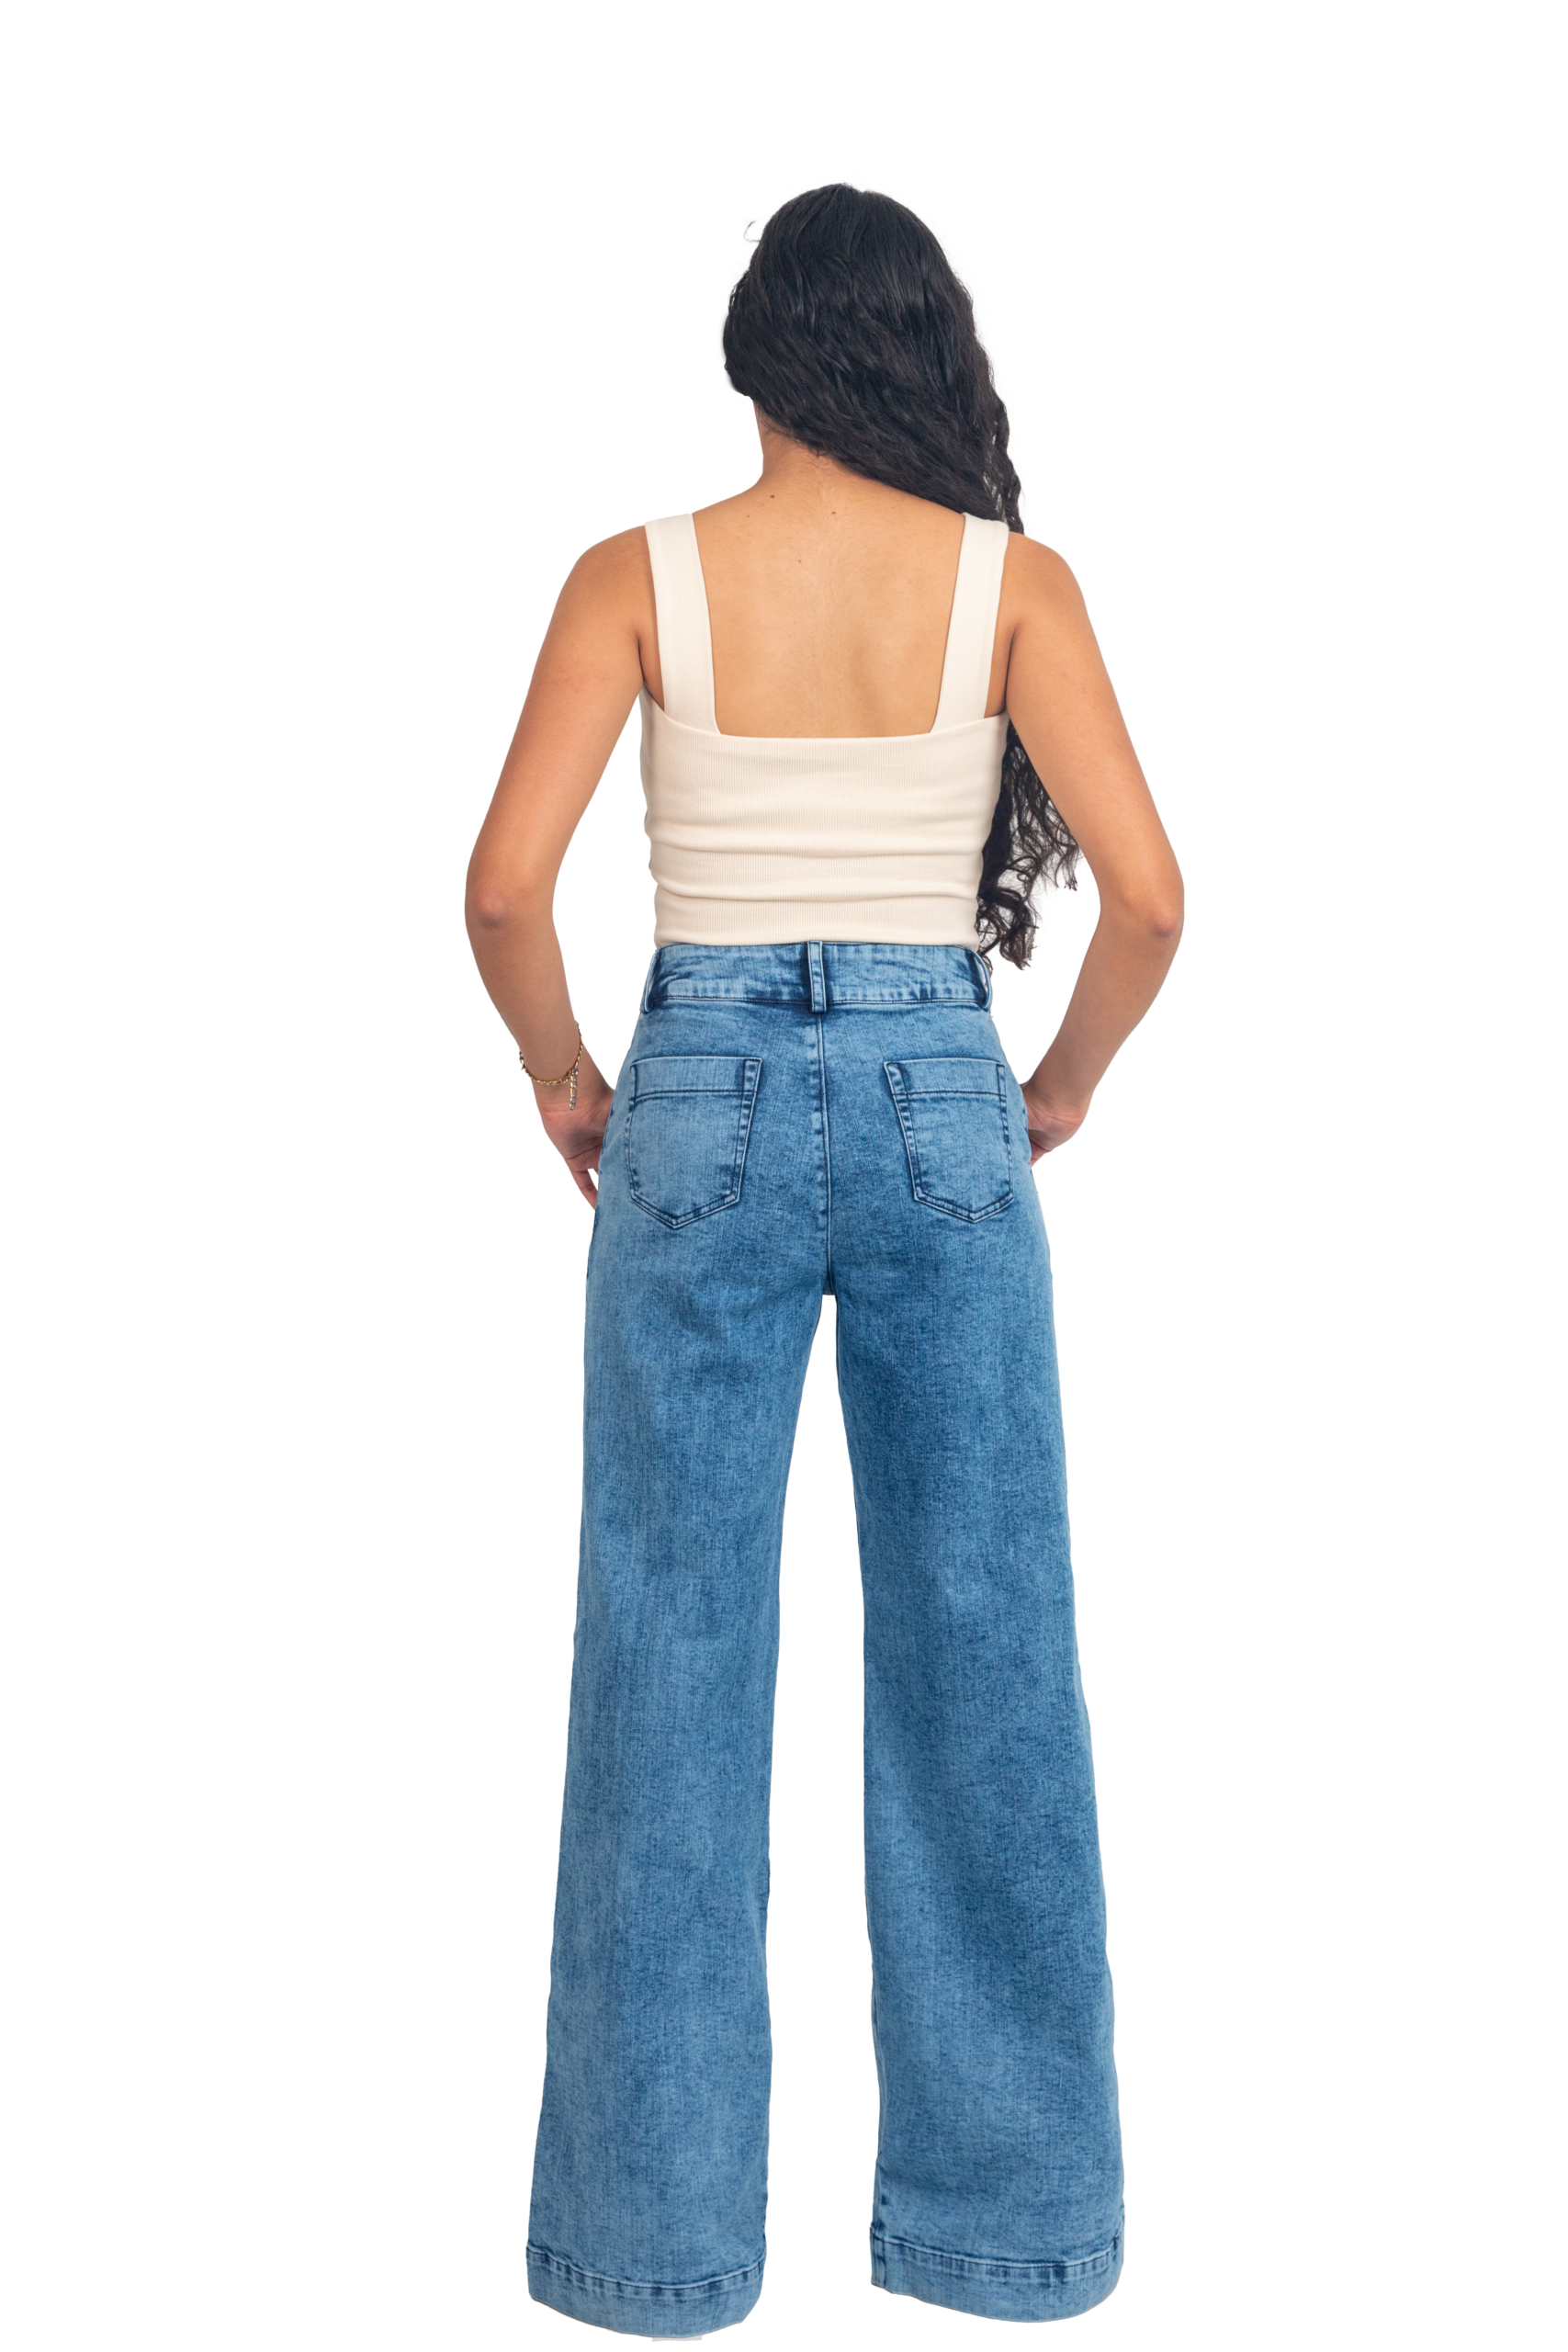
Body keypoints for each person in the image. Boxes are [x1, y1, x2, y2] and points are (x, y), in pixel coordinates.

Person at [465, 184, 1182, 2336]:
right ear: (919, 354)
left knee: (666, 1656)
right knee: (986, 1650)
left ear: (756, 356)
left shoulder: (639, 575)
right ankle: (1009, 2228)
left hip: (690, 1094)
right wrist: (1054, 1088)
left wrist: (566, 1076)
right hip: (938, 1090)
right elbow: (1152, 896)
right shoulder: (1006, 585)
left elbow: (502, 886)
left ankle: (648, 2250)